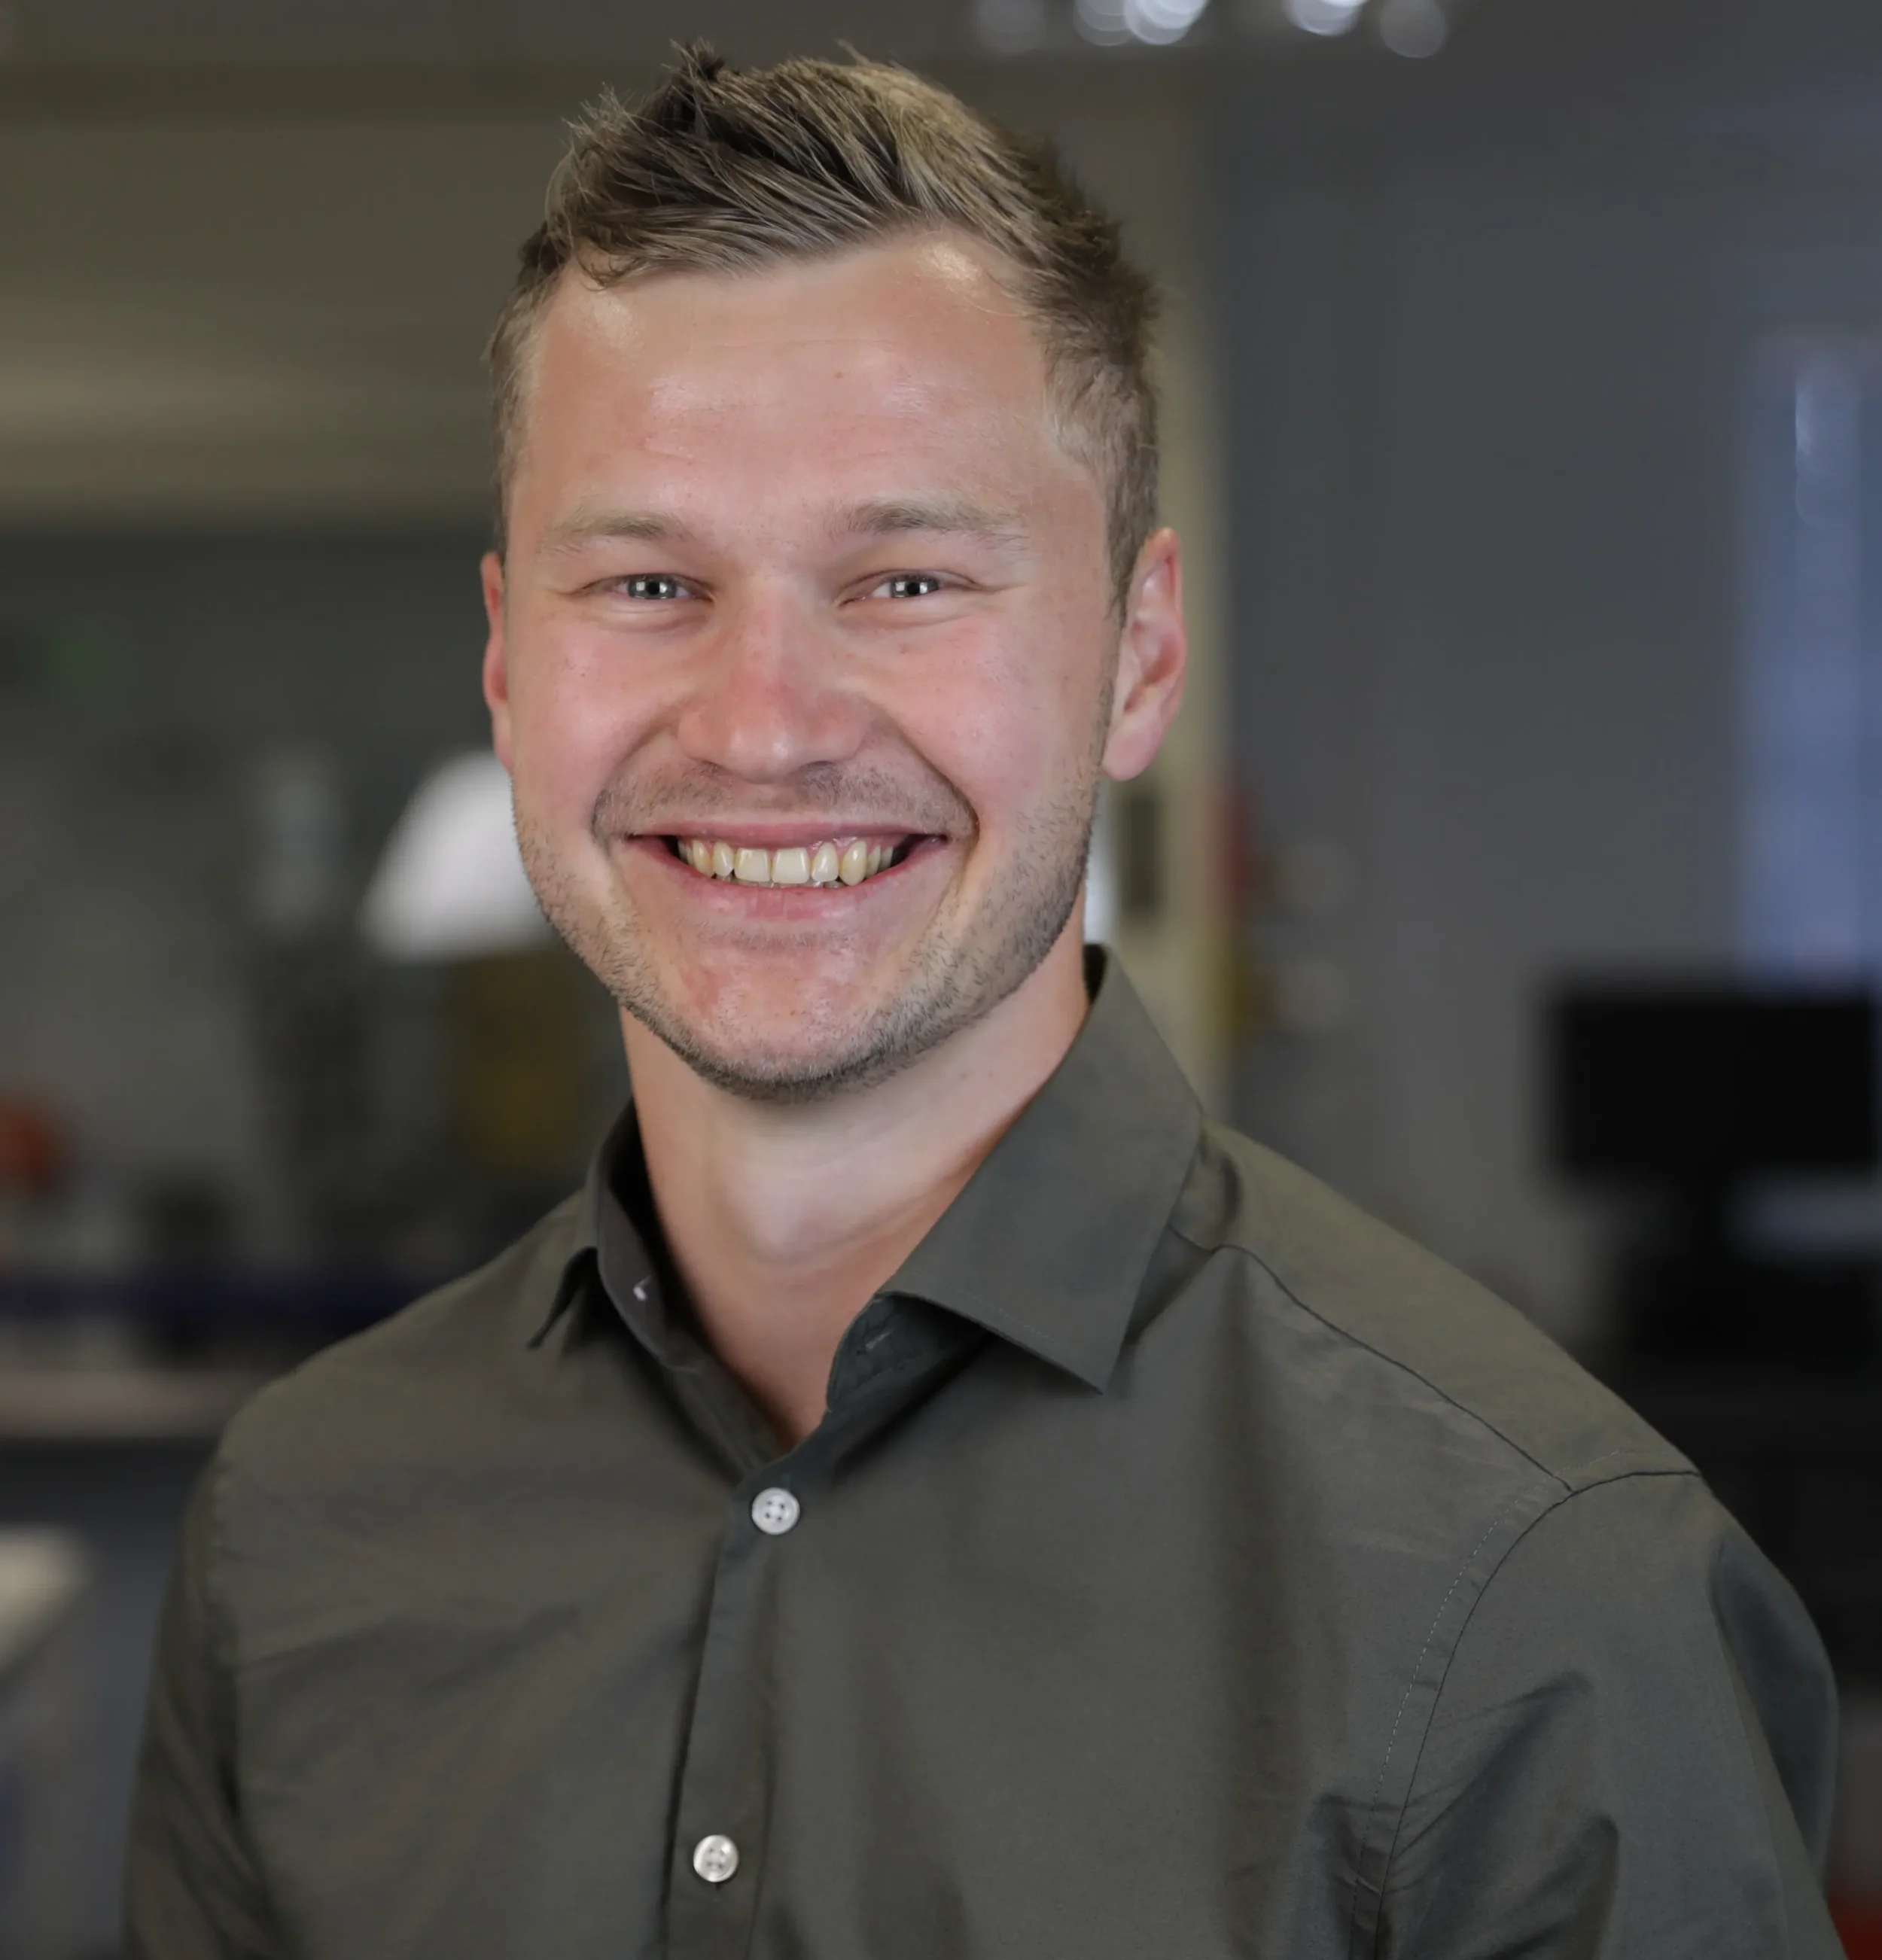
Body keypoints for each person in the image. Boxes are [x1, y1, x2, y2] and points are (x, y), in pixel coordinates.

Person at [126, 47, 1842, 1960]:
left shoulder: (1535, 1592)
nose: (762, 727)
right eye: (647, 586)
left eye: (907, 581)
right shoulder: (299, 1530)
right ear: (510, 667)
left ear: (1139, 657)